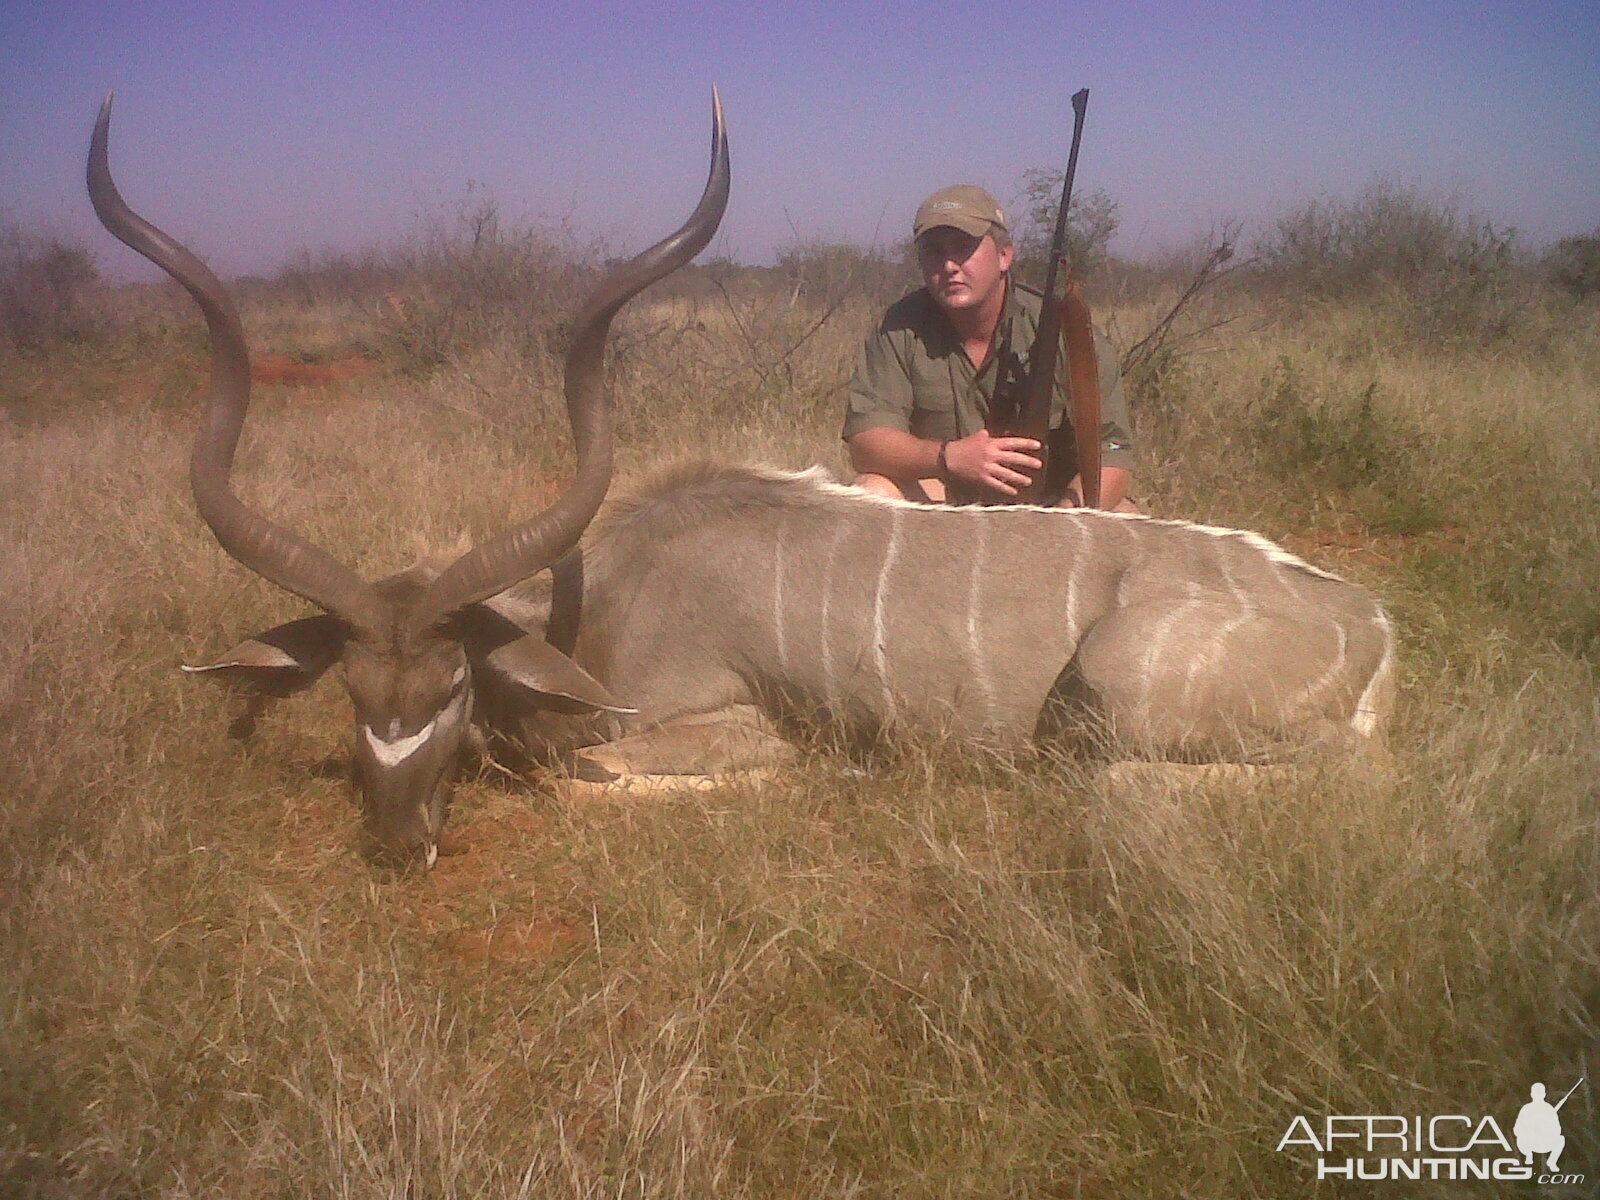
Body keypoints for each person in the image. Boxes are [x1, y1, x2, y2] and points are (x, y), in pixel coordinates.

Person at [843, 184, 1135, 508]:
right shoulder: (898, 329)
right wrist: (949, 457)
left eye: (963, 247)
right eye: (934, 251)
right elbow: (866, 444)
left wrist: (1060, 530)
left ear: (1004, 255)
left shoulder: (1071, 336)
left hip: (1052, 513)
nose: (949, 265)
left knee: (1126, 517)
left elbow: (1113, 456)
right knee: (871, 492)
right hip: (949, 506)